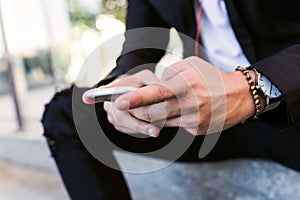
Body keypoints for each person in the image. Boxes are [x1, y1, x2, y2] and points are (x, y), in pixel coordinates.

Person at [42, 0, 300, 199]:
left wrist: (252, 88)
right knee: (68, 113)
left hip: (286, 105)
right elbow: (138, 52)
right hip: (205, 119)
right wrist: (124, 93)